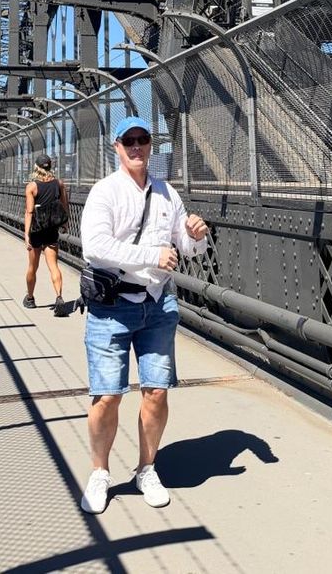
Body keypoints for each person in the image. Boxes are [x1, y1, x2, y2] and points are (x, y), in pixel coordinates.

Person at [79, 115, 209, 515]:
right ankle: (100, 472)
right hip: (111, 307)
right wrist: (152, 255)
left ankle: (146, 468)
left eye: (143, 140)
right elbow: (95, 247)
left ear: (151, 145)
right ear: (116, 147)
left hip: (159, 304)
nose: (136, 147)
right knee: (107, 397)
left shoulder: (168, 194)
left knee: (156, 392)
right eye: (128, 141)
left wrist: (197, 236)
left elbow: (186, 249)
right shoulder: (105, 193)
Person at [23, 155, 69, 316]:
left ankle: (30, 298)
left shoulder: (32, 187)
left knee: (32, 267)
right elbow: (64, 205)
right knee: (53, 266)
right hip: (51, 230)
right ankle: (59, 296)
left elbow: (29, 212)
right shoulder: (59, 184)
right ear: (50, 167)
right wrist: (65, 223)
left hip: (36, 230)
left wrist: (26, 234)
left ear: (36, 167)